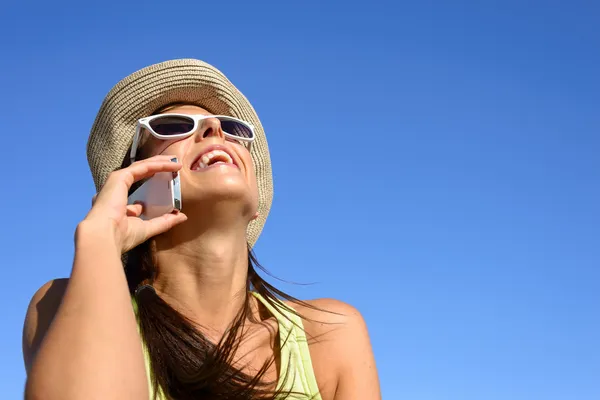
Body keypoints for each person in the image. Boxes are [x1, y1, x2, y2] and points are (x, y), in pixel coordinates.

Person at [22, 59, 381, 400]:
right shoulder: (58, 305)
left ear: (255, 204)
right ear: (136, 186)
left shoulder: (331, 332)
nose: (215, 129)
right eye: (174, 126)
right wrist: (100, 238)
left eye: (232, 129)